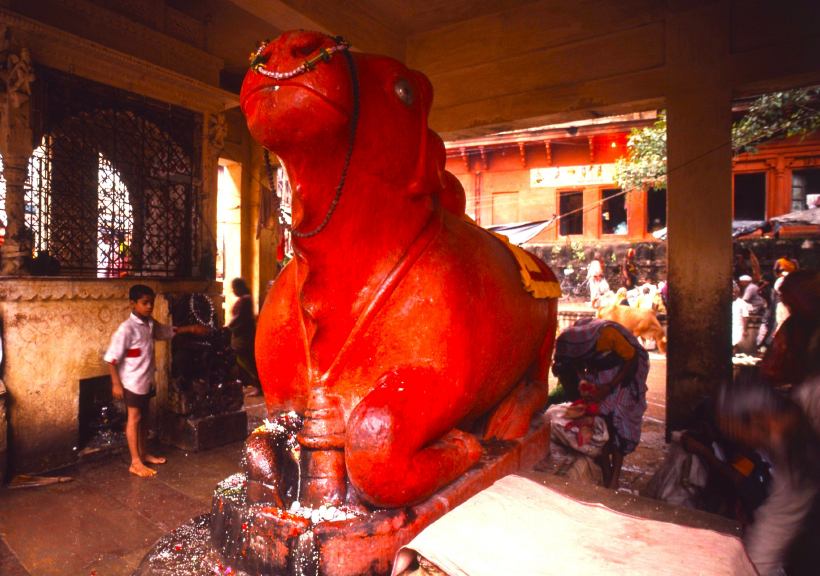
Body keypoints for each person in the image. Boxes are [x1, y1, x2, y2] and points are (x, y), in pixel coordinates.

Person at [717, 379, 820, 576]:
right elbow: (781, 516)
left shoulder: (815, 400)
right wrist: (749, 570)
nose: (752, 447)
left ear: (760, 420)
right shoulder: (788, 447)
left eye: (745, 437)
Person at [105, 284, 207, 477]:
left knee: (144, 418)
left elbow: (167, 331)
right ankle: (135, 462)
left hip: (146, 380)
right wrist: (116, 383)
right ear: (132, 304)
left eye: (151, 303)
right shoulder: (126, 329)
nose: (149, 306)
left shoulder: (150, 324)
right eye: (145, 303)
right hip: (132, 383)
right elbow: (111, 358)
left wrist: (191, 328)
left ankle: (143, 454)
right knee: (133, 419)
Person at [550, 317, 649, 488]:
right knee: (600, 418)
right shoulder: (575, 343)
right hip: (601, 370)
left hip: (625, 371)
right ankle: (606, 470)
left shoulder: (607, 336)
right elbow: (577, 363)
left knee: (618, 421)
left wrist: (610, 387)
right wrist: (582, 381)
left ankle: (615, 478)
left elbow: (631, 359)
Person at [228, 278, 261, 396]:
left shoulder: (245, 299)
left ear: (241, 287)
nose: (234, 291)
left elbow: (238, 317)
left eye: (235, 288)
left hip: (243, 337)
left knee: (248, 361)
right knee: (246, 360)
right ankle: (256, 385)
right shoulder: (246, 299)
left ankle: (259, 385)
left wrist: (228, 327)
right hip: (242, 335)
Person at [732, 282, 750, 352]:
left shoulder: (742, 303)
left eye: (734, 293)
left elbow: (746, 317)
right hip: (729, 327)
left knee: (734, 344)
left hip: (738, 327)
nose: (733, 294)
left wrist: (745, 330)